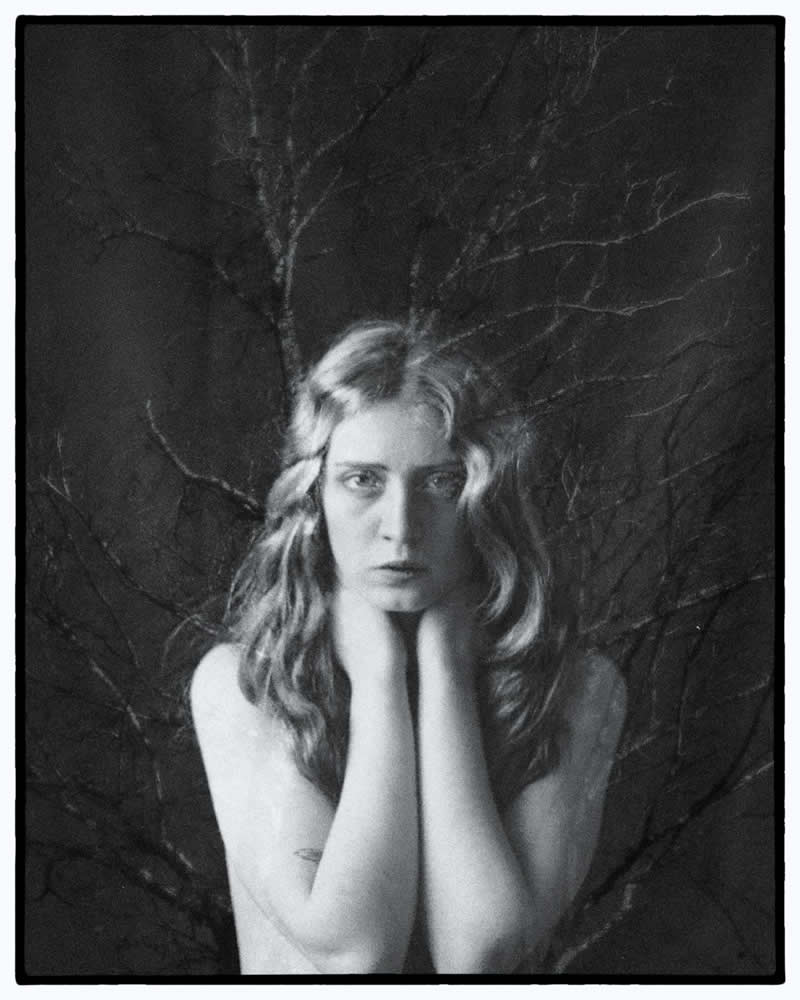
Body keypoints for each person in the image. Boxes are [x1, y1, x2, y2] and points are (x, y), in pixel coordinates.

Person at [190, 319, 627, 974]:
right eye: (364, 480)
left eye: (440, 483)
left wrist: (445, 667)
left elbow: (479, 951)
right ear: (315, 494)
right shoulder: (243, 686)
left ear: (484, 498)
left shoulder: (578, 687)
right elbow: (354, 953)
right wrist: (378, 676)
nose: (399, 529)